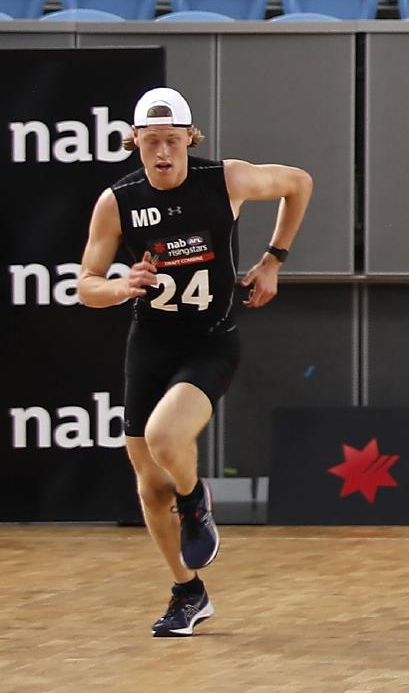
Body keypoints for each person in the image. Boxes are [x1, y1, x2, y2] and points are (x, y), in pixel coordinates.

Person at [78, 87, 311, 636]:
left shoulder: (225, 179)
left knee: (165, 438)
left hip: (210, 339)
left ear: (190, 139)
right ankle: (188, 591)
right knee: (148, 486)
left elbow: (299, 183)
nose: (162, 152)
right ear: (135, 142)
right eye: (151, 142)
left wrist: (273, 260)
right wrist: (119, 286)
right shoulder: (118, 200)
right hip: (151, 343)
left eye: (172, 141)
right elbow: (85, 286)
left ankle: (196, 498)